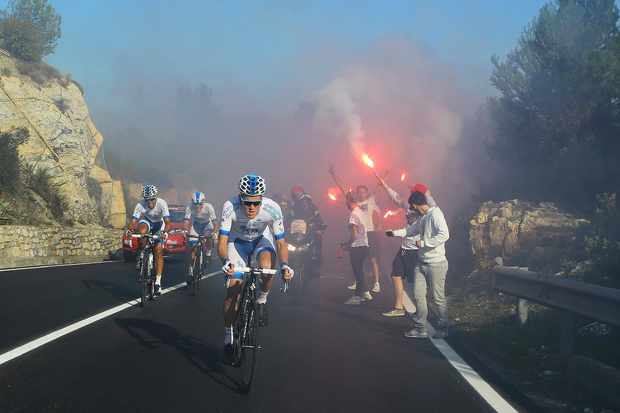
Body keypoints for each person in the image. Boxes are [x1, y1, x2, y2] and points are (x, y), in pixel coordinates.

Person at [219, 174, 294, 354]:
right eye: (247, 202)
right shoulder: (230, 207)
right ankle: (228, 334)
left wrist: (285, 265)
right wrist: (226, 261)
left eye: (256, 203)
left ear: (262, 199)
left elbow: (281, 242)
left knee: (268, 268)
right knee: (233, 291)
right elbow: (222, 241)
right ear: (240, 198)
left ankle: (261, 299)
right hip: (237, 243)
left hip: (261, 241)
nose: (251, 207)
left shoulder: (273, 209)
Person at [387, 190, 449, 338]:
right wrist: (394, 233)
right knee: (418, 295)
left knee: (437, 297)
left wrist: (424, 243)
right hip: (421, 263)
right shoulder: (423, 217)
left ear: (416, 205)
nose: (411, 210)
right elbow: (411, 230)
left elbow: (444, 234)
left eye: (412, 207)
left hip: (436, 263)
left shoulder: (436, 214)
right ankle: (421, 328)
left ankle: (444, 328)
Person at [378, 179, 436, 317]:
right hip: (404, 248)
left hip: (416, 250)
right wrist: (384, 185)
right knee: (396, 274)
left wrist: (423, 190)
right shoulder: (409, 206)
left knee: (417, 282)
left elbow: (429, 197)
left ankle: (428, 309)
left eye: (413, 193)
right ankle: (399, 308)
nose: (410, 195)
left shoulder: (428, 210)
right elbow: (396, 197)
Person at [127, 184, 171, 296]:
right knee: (142, 233)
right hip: (147, 221)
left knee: (158, 250)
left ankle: (158, 282)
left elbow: (168, 222)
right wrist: (131, 230)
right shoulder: (140, 204)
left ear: (156, 197)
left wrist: (165, 232)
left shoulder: (162, 203)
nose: (150, 202)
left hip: (159, 224)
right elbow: (134, 220)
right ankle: (142, 253)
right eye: (147, 200)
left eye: (152, 199)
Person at [348, 185, 382, 293]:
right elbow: (344, 192)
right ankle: (358, 281)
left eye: (363, 192)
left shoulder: (370, 201)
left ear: (367, 193)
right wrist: (334, 175)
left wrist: (384, 175)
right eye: (359, 192)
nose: (361, 194)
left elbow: (377, 187)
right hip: (360, 234)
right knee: (358, 259)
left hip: (370, 233)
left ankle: (377, 283)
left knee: (372, 259)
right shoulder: (356, 205)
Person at [343, 196, 373, 305]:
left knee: (358, 271)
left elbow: (354, 234)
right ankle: (366, 292)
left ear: (350, 202)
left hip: (357, 246)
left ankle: (357, 296)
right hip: (365, 244)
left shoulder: (353, 215)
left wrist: (347, 244)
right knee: (360, 269)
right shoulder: (361, 211)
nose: (345, 204)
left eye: (346, 202)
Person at [184, 191, 217, 286]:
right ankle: (190, 271)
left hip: (207, 225)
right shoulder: (189, 207)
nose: (197, 207)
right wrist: (186, 231)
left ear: (204, 202)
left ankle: (208, 253)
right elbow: (186, 221)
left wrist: (214, 232)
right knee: (192, 249)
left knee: (208, 235)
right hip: (196, 225)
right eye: (195, 204)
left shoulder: (209, 207)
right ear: (192, 203)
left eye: (200, 204)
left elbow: (215, 223)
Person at [290, 185, 326, 263]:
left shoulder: (310, 204)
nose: (296, 194)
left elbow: (317, 217)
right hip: (298, 230)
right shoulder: (293, 206)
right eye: (295, 193)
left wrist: (320, 227)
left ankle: (316, 260)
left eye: (298, 193)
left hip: (311, 229)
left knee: (316, 245)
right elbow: (291, 218)